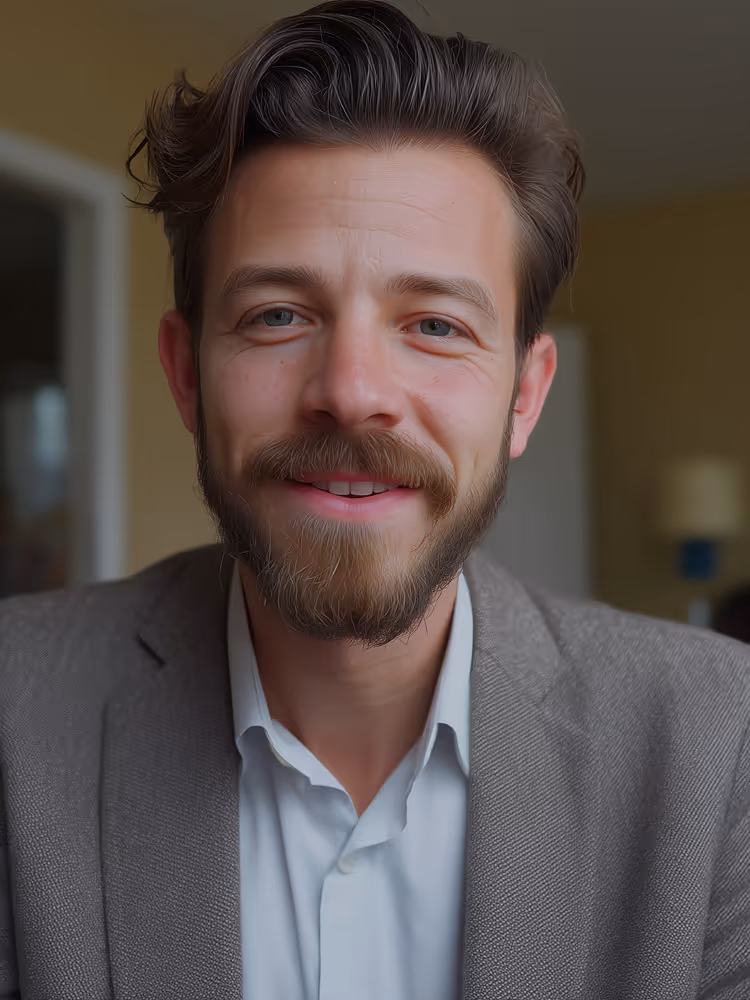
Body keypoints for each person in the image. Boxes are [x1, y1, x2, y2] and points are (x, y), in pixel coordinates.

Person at [1, 2, 749, 997]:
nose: (352, 390)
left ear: (524, 397)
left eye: (435, 325)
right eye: (277, 314)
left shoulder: (721, 743)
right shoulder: (11, 722)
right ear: (187, 376)